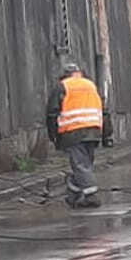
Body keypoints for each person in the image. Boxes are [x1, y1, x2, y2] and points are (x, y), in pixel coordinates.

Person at [47, 61, 109, 209]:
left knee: (80, 165)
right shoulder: (90, 85)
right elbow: (104, 110)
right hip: (94, 129)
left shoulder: (63, 86)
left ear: (64, 75)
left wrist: (53, 136)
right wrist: (107, 134)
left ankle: (91, 195)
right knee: (85, 164)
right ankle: (73, 194)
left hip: (73, 131)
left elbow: (52, 113)